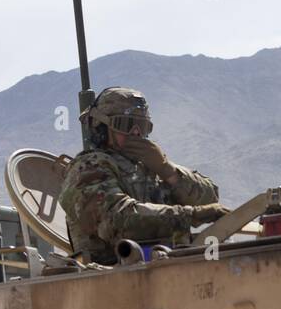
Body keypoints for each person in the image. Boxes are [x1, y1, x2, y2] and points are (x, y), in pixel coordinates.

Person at [58, 87, 229, 264]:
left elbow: (210, 199)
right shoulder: (88, 168)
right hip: (112, 278)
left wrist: (168, 171)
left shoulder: (151, 165)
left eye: (143, 126)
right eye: (126, 125)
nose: (137, 133)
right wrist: (190, 215)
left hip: (165, 269)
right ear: (101, 126)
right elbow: (118, 221)